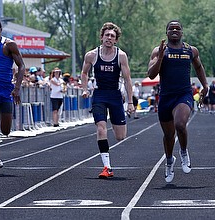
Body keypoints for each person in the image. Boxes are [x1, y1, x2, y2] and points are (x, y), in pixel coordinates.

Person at [147, 20, 208, 183]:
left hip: (184, 94)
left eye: (178, 28)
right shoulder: (159, 50)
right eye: (171, 28)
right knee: (168, 135)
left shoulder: (190, 50)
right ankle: (169, 161)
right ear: (166, 32)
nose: (174, 30)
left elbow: (199, 67)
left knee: (180, 125)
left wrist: (205, 85)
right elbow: (152, 74)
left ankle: (183, 151)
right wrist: (160, 56)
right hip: (166, 96)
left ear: (182, 32)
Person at [81, 22, 134, 179]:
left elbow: (127, 79)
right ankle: (107, 167)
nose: (109, 38)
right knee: (101, 129)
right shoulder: (91, 55)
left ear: (116, 40)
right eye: (107, 35)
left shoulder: (121, 56)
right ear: (102, 37)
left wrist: (130, 102)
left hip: (115, 96)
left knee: (120, 137)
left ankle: (116, 125)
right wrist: (84, 89)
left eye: (112, 36)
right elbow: (84, 73)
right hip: (99, 95)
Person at [0, 18, 25, 168]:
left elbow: (22, 66)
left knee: (5, 130)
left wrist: (16, 88)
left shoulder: (9, 45)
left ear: (0, 29)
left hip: (5, 91)